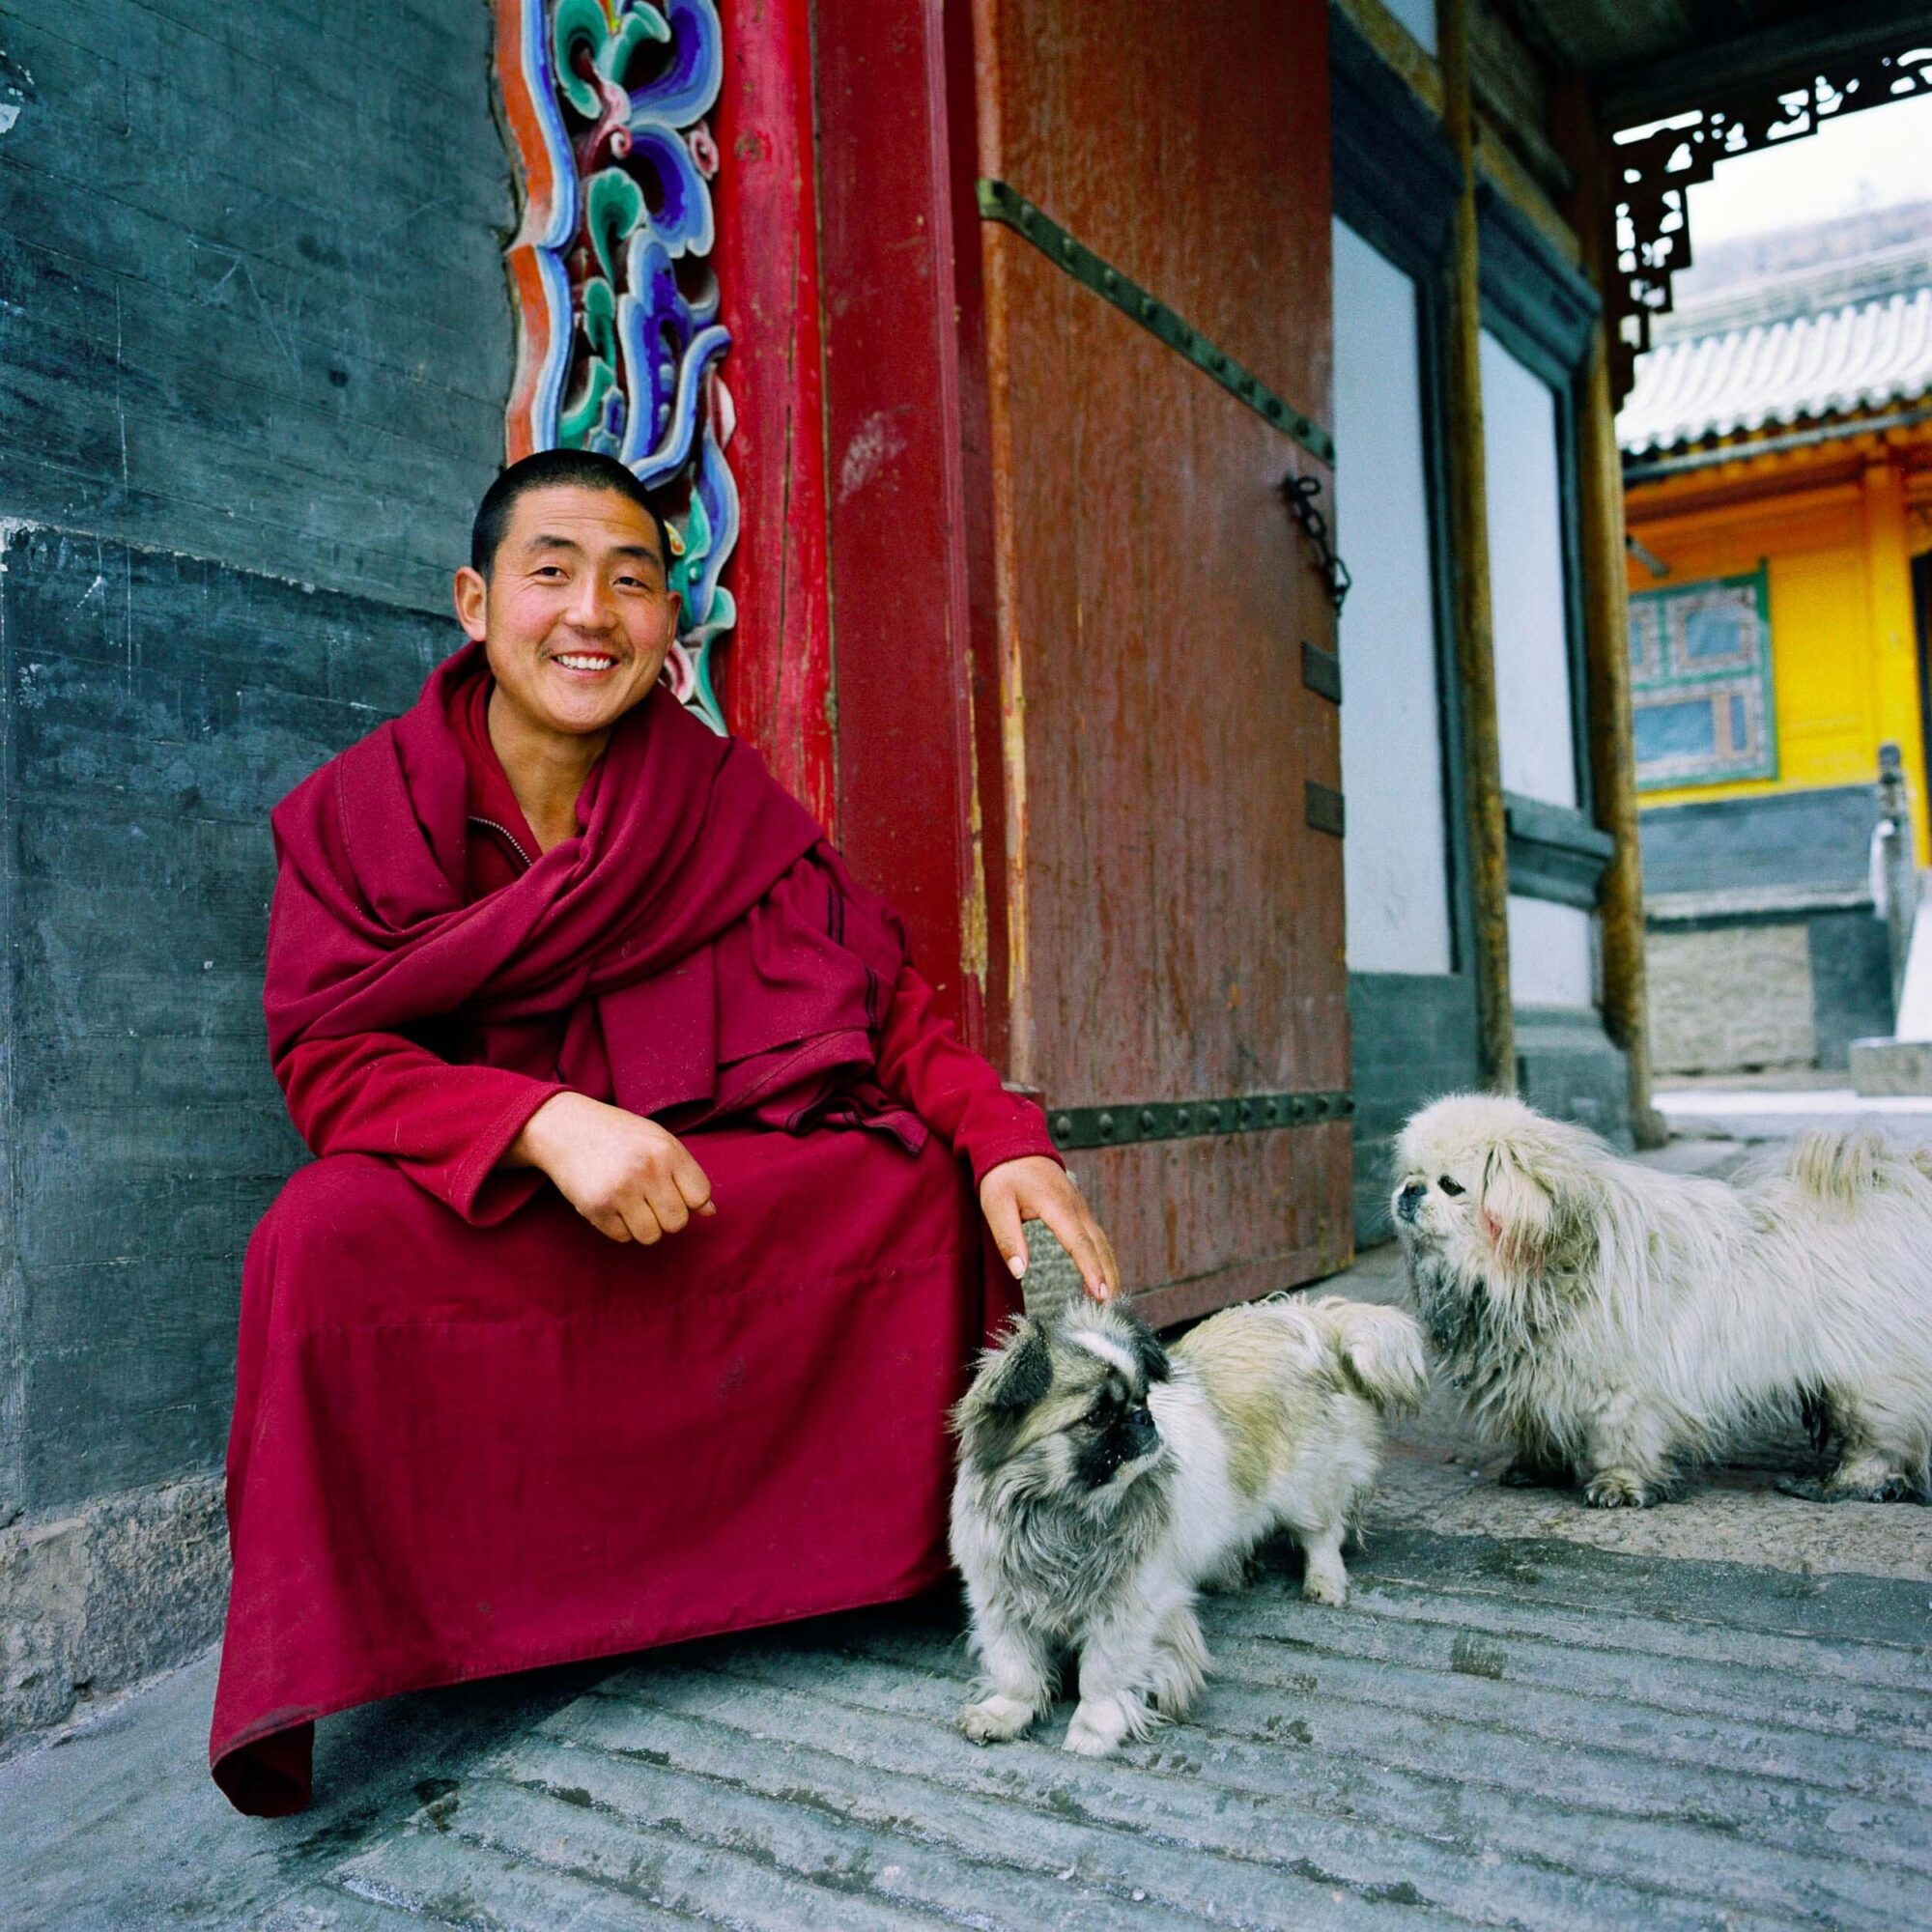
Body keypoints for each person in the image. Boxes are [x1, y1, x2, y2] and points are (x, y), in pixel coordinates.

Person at [209, 448, 1120, 1814]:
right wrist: (539, 1121)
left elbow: (885, 1013)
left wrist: (1007, 1139)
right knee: (320, 1235)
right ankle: (438, 1619)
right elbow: (330, 1058)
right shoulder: (358, 815)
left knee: (911, 1184)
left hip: (698, 1182)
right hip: (510, 1197)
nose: (592, 614)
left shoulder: (712, 799)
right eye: (553, 573)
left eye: (632, 582)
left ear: (666, 622)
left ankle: (864, 1564)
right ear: (474, 603)